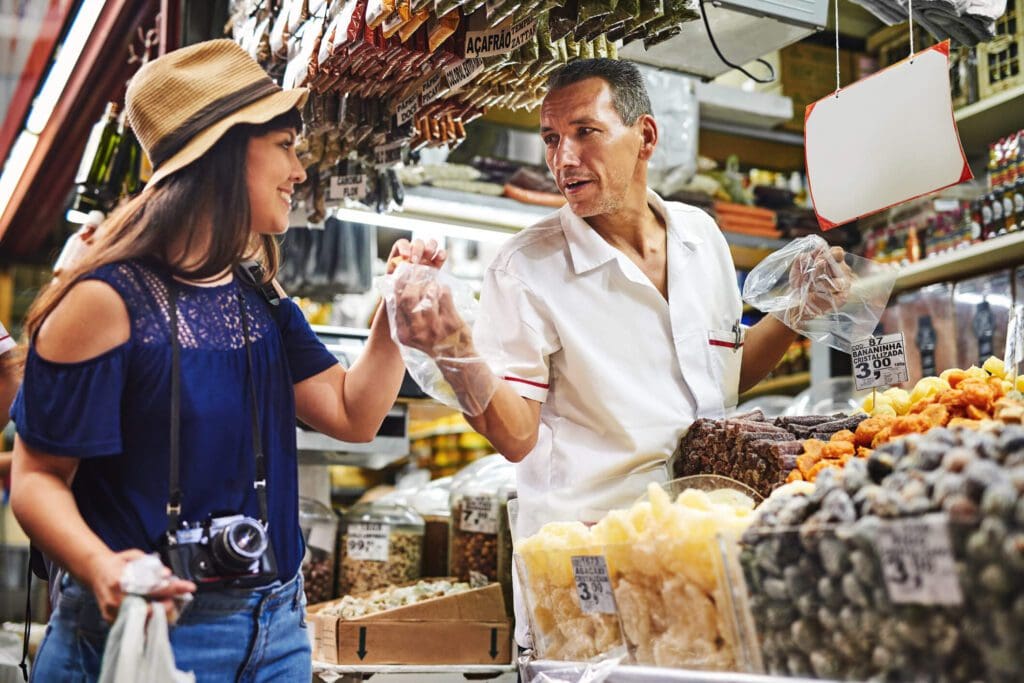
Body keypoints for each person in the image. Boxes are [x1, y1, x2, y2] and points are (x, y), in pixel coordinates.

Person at [9, 39, 444, 681]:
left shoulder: (257, 296)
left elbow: (353, 413)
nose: (300, 171)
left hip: (278, 628)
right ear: (224, 151)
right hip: (142, 631)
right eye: (287, 146)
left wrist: (394, 312)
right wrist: (105, 567)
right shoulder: (104, 301)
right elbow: (36, 478)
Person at [390, 59, 850, 641]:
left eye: (586, 132)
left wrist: (797, 311)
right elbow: (514, 435)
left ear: (645, 137)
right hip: (587, 561)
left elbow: (727, 378)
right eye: (552, 139)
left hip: (699, 550)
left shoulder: (700, 237)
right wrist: (454, 348)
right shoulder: (527, 267)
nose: (563, 159)